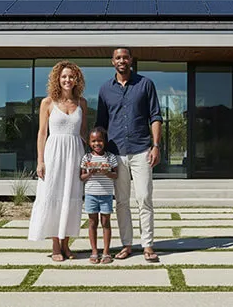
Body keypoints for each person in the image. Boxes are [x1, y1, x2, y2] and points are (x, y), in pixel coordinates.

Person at [97, 47, 163, 262]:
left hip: (142, 149)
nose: (122, 60)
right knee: (122, 201)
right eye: (118, 57)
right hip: (116, 153)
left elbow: (155, 116)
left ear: (131, 60)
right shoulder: (105, 89)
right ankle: (127, 244)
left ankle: (148, 245)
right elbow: (101, 124)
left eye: (125, 57)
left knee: (144, 197)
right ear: (112, 62)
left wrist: (155, 146)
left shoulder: (145, 84)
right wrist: (102, 155)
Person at [28, 60, 88, 262]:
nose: (67, 80)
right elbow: (42, 133)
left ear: (76, 79)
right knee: (53, 196)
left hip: (75, 154)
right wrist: (40, 161)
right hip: (54, 154)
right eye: (63, 76)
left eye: (71, 76)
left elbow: (83, 133)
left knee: (71, 198)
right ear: (57, 79)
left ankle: (66, 243)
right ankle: (55, 244)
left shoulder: (82, 103)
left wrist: (88, 160)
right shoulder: (47, 102)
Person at [80, 126, 118, 264]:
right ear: (89, 143)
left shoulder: (110, 157)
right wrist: (90, 172)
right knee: (92, 222)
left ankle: (106, 252)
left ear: (105, 141)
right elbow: (82, 177)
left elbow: (116, 174)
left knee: (106, 222)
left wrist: (106, 172)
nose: (97, 144)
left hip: (106, 195)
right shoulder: (86, 158)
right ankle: (94, 251)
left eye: (100, 140)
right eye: (94, 141)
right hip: (91, 194)